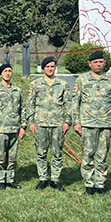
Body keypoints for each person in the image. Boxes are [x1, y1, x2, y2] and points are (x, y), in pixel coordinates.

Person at [70, 50, 111, 195]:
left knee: (102, 156)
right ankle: (89, 184)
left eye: (101, 62)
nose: (98, 64)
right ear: (90, 64)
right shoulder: (82, 79)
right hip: (87, 123)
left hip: (105, 123)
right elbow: (75, 101)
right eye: (95, 62)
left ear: (105, 63)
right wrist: (76, 122)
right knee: (88, 155)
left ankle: (100, 184)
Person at [25, 56, 70, 190]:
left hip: (57, 123)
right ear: (43, 68)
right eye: (48, 67)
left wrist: (68, 122)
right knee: (41, 152)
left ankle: (55, 179)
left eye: (52, 66)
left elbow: (69, 104)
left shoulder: (62, 84)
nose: (50, 69)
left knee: (57, 153)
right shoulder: (36, 84)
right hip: (40, 122)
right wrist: (31, 122)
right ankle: (43, 178)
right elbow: (30, 104)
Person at [0, 63, 25, 189]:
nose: (8, 73)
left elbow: (23, 109)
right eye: (5, 71)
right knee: (0, 156)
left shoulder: (18, 91)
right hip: (1, 129)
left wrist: (23, 126)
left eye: (10, 71)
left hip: (14, 129)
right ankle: (0, 180)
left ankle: (10, 179)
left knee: (12, 157)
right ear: (1, 74)